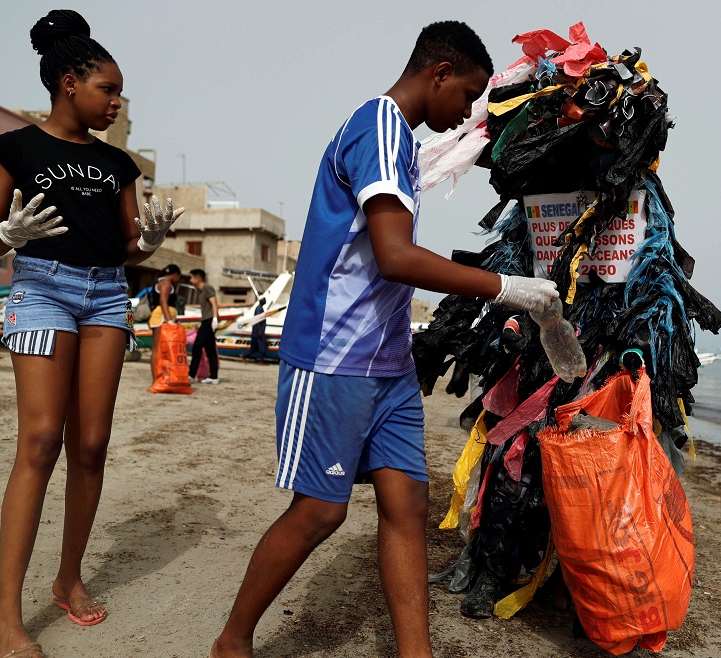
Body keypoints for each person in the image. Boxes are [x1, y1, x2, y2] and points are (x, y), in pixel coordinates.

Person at [210, 21, 556, 658]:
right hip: (335, 355)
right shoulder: (377, 126)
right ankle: (232, 642)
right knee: (321, 511)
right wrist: (506, 286)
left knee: (408, 504)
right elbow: (395, 256)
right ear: (439, 74)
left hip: (388, 361)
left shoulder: (397, 143)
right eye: (467, 96)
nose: (464, 114)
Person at [0, 10, 183, 658]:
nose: (116, 102)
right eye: (108, 90)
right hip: (40, 291)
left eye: (118, 94)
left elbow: (128, 246)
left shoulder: (118, 164)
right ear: (69, 82)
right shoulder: (13, 148)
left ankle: (68, 577)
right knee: (39, 440)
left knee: (90, 444)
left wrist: (146, 242)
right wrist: (6, 237)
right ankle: (6, 618)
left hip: (105, 299)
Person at [148, 263, 181, 383]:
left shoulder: (162, 282)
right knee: (157, 349)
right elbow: (163, 302)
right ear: (175, 274)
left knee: (164, 349)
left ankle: (163, 378)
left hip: (164, 317)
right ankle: (156, 381)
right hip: (161, 318)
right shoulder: (166, 283)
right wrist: (170, 320)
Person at [188, 268, 220, 383]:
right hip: (206, 320)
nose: (190, 280)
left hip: (209, 320)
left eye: (192, 277)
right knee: (210, 349)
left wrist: (215, 319)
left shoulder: (207, 288)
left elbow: (214, 303)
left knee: (197, 346)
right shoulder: (200, 291)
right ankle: (214, 376)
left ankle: (191, 374)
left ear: (198, 278)